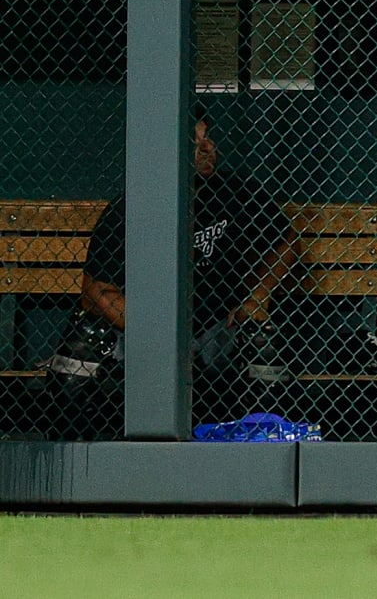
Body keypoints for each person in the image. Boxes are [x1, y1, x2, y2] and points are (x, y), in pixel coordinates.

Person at [44, 105, 299, 438]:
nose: (209, 148)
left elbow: (287, 241)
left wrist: (257, 297)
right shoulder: (136, 203)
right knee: (86, 337)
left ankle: (262, 443)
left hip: (214, 329)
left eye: (208, 139)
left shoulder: (235, 193)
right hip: (143, 331)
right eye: (196, 143)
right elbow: (95, 292)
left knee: (259, 336)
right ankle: (73, 455)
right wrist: (158, 334)